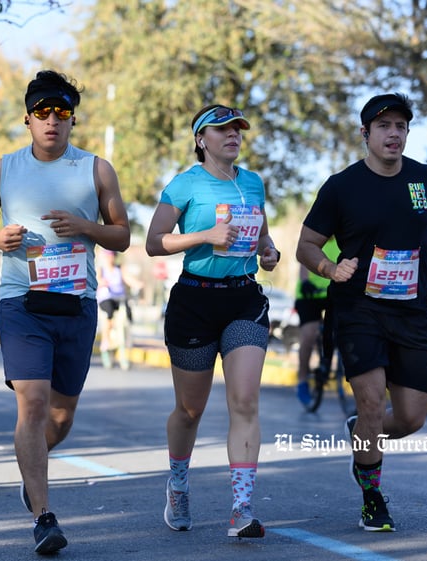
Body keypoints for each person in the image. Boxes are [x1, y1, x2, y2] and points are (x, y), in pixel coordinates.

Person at [0, 69, 130, 555]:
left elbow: (121, 234)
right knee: (32, 405)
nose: (52, 120)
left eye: (61, 112)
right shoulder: (4, 169)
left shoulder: (97, 169)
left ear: (72, 119)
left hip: (76, 303)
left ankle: (29, 471)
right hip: (21, 302)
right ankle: (43, 515)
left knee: (60, 417)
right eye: (42, 112)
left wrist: (85, 225)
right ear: (28, 119)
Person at [295, 93, 427, 532]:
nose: (394, 133)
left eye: (401, 127)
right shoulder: (342, 186)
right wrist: (331, 268)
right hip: (358, 309)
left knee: (410, 418)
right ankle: (372, 496)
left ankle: (364, 434)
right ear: (365, 134)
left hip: (411, 311)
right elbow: (306, 246)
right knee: (371, 401)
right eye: (384, 126)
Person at [145, 104, 281, 538]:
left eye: (237, 129)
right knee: (190, 410)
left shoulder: (253, 183)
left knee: (244, 401)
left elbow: (260, 233)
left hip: (243, 299)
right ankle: (178, 484)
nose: (233, 136)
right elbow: (153, 242)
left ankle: (242, 507)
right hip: (194, 301)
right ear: (201, 139)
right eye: (221, 129)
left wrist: (268, 251)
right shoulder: (185, 184)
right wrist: (204, 236)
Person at [295, 236, 340, 408]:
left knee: (341, 331)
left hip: (333, 293)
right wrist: (305, 282)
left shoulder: (342, 237)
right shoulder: (317, 236)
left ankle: (331, 366)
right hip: (310, 295)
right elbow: (303, 262)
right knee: (309, 334)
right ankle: (302, 380)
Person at [95, 248, 142, 370]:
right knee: (108, 313)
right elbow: (97, 281)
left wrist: (138, 284)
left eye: (111, 256)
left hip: (119, 299)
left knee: (127, 315)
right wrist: (101, 282)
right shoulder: (102, 270)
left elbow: (128, 279)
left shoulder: (119, 268)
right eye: (107, 256)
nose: (109, 258)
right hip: (107, 298)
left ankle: (124, 346)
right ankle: (106, 340)